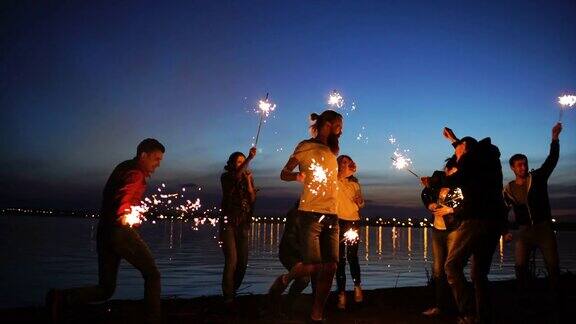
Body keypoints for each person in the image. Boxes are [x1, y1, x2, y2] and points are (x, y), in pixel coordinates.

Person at [46, 138, 165, 323]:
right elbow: (124, 195)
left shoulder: (124, 167)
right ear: (143, 155)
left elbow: (116, 194)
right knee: (153, 274)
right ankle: (153, 318)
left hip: (105, 232)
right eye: (156, 158)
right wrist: (124, 213)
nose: (158, 164)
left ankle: (61, 298)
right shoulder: (135, 172)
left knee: (106, 288)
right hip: (120, 232)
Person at [269, 110, 343, 322]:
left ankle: (316, 314)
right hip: (310, 214)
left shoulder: (332, 150)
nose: (341, 130)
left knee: (331, 267)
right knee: (314, 267)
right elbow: (284, 173)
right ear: (327, 124)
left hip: (332, 214)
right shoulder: (304, 146)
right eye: (339, 125)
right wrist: (296, 176)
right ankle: (285, 279)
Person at [440, 128, 508, 324]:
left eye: (457, 151)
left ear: (466, 148)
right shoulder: (489, 159)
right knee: (479, 274)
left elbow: (458, 178)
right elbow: (468, 164)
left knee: (452, 266)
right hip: (494, 222)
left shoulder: (471, 159)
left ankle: (468, 314)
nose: (456, 156)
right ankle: (483, 316)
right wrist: (454, 140)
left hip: (476, 219)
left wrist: (435, 181)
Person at [503, 123, 562, 295]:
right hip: (524, 232)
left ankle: (556, 300)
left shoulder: (538, 178)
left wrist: (555, 139)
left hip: (544, 229)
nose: (523, 167)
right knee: (520, 267)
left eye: (525, 164)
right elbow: (503, 211)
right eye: (519, 165)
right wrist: (504, 230)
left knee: (553, 266)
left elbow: (552, 160)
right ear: (513, 168)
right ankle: (525, 298)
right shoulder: (508, 189)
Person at [420, 156, 459, 317]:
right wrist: (430, 204)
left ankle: (459, 307)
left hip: (454, 230)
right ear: (447, 170)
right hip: (437, 229)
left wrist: (451, 210)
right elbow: (425, 193)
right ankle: (439, 306)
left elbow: (465, 205)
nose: (455, 175)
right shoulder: (437, 183)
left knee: (452, 269)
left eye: (458, 172)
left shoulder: (460, 187)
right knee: (437, 270)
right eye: (452, 172)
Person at [220, 147, 257, 309]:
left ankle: (233, 291)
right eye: (239, 161)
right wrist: (250, 157)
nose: (242, 164)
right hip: (229, 223)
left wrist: (249, 181)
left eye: (243, 161)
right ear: (232, 164)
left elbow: (252, 198)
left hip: (244, 223)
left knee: (242, 262)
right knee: (232, 261)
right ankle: (228, 297)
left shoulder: (246, 177)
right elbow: (235, 176)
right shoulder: (226, 177)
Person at [335, 155, 365, 310]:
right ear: (339, 165)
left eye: (349, 162)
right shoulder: (333, 180)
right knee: (339, 259)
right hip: (338, 222)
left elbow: (361, 203)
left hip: (353, 221)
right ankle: (341, 293)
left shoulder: (355, 183)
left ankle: (357, 286)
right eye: (344, 162)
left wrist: (359, 201)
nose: (348, 164)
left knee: (352, 257)